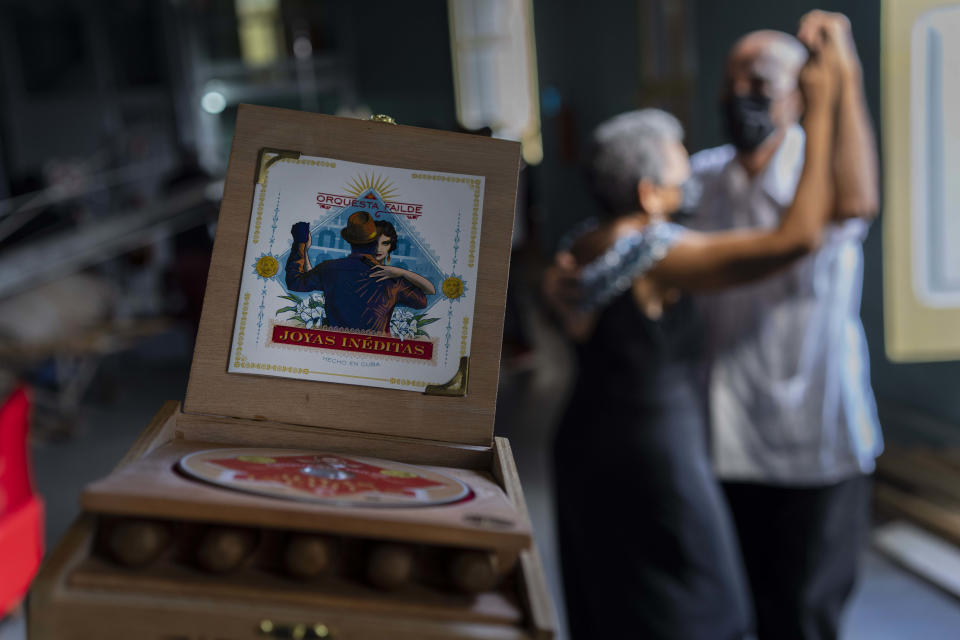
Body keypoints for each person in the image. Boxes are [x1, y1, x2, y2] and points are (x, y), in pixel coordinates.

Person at [543, 34, 840, 640]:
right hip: (654, 456)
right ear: (649, 193)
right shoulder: (655, 254)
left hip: (583, 442)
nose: (692, 176)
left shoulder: (581, 245)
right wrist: (824, 111)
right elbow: (795, 240)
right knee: (702, 604)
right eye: (680, 163)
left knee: (617, 599)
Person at [688, 12, 881, 640]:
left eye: (760, 83)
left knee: (804, 619)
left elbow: (856, 202)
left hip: (815, 443)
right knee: (739, 612)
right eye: (730, 82)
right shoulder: (706, 177)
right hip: (728, 438)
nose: (738, 96)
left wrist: (843, 73)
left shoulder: (824, 176)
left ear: (799, 96)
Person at [285, 211, 430, 334]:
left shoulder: (329, 269)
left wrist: (300, 243)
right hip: (377, 352)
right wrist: (401, 273)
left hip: (334, 345)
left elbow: (295, 282)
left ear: (350, 241)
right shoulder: (392, 280)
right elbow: (422, 301)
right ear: (374, 242)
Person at [370, 220, 436, 295]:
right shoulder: (357, 268)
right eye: (374, 243)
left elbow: (431, 290)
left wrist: (403, 273)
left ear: (391, 246)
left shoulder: (394, 275)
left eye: (385, 243)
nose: (378, 248)